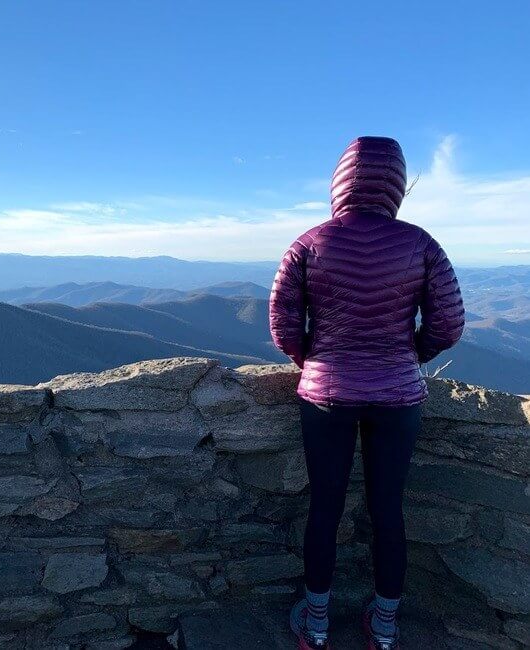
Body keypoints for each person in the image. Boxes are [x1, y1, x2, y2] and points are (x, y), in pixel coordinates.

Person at [268, 136, 465, 650]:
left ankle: (315, 622)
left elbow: (283, 323)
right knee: (388, 509)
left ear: (340, 181)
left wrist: (311, 360)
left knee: (325, 507)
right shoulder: (422, 244)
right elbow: (447, 324)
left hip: (325, 395)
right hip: (398, 397)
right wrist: (407, 356)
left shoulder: (308, 243)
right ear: (397, 183)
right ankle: (384, 626)